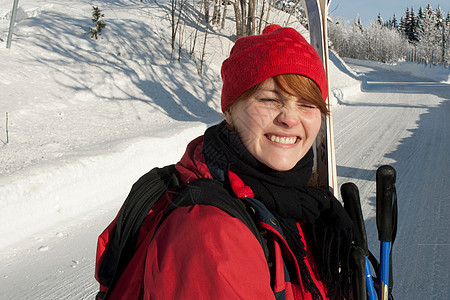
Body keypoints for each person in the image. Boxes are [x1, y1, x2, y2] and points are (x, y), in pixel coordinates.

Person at [95, 24, 354, 300]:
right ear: (229, 110)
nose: (290, 118)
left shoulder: (295, 201)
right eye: (269, 99)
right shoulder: (210, 234)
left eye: (306, 104)